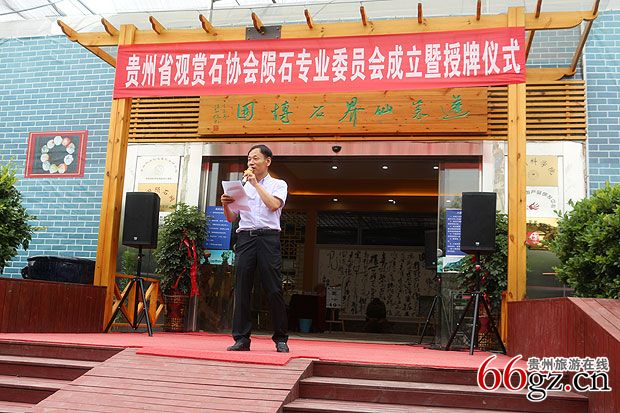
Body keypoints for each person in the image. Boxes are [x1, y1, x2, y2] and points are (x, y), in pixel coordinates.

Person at [220, 144, 289, 353]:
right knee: (242, 288)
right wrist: (225, 204)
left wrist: (255, 184)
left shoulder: (278, 184)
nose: (251, 162)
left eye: (255, 158)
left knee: (274, 288)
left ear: (267, 161)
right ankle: (241, 338)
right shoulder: (241, 186)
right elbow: (231, 217)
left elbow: (273, 205)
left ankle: (281, 338)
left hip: (268, 238)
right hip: (245, 238)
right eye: (249, 159)